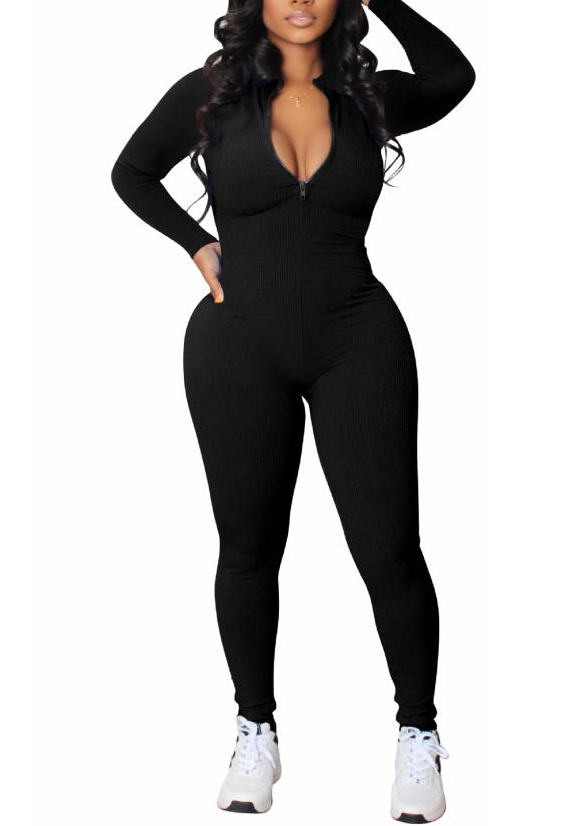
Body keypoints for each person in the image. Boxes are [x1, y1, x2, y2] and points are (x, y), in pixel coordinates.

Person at [110, 0, 475, 820]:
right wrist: (195, 243)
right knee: (247, 549)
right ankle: (255, 731)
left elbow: (455, 76)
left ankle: (418, 734)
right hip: (235, 344)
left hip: (359, 339)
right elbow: (130, 170)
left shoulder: (370, 94)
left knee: (389, 549)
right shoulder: (211, 92)